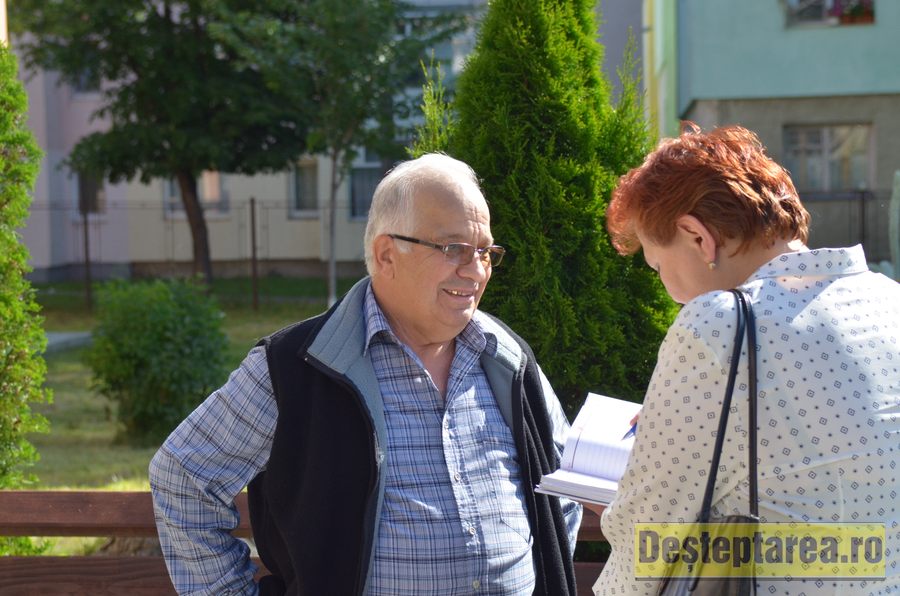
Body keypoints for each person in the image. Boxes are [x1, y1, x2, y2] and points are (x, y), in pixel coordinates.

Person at [149, 153, 582, 596]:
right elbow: (183, 477)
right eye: (453, 248)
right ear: (386, 254)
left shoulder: (506, 358)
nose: (475, 270)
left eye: (485, 252)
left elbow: (564, 483)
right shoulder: (297, 365)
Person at [593, 122, 900, 595]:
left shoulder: (719, 325)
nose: (669, 291)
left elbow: (646, 537)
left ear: (698, 237)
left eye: (658, 267)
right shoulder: (888, 299)